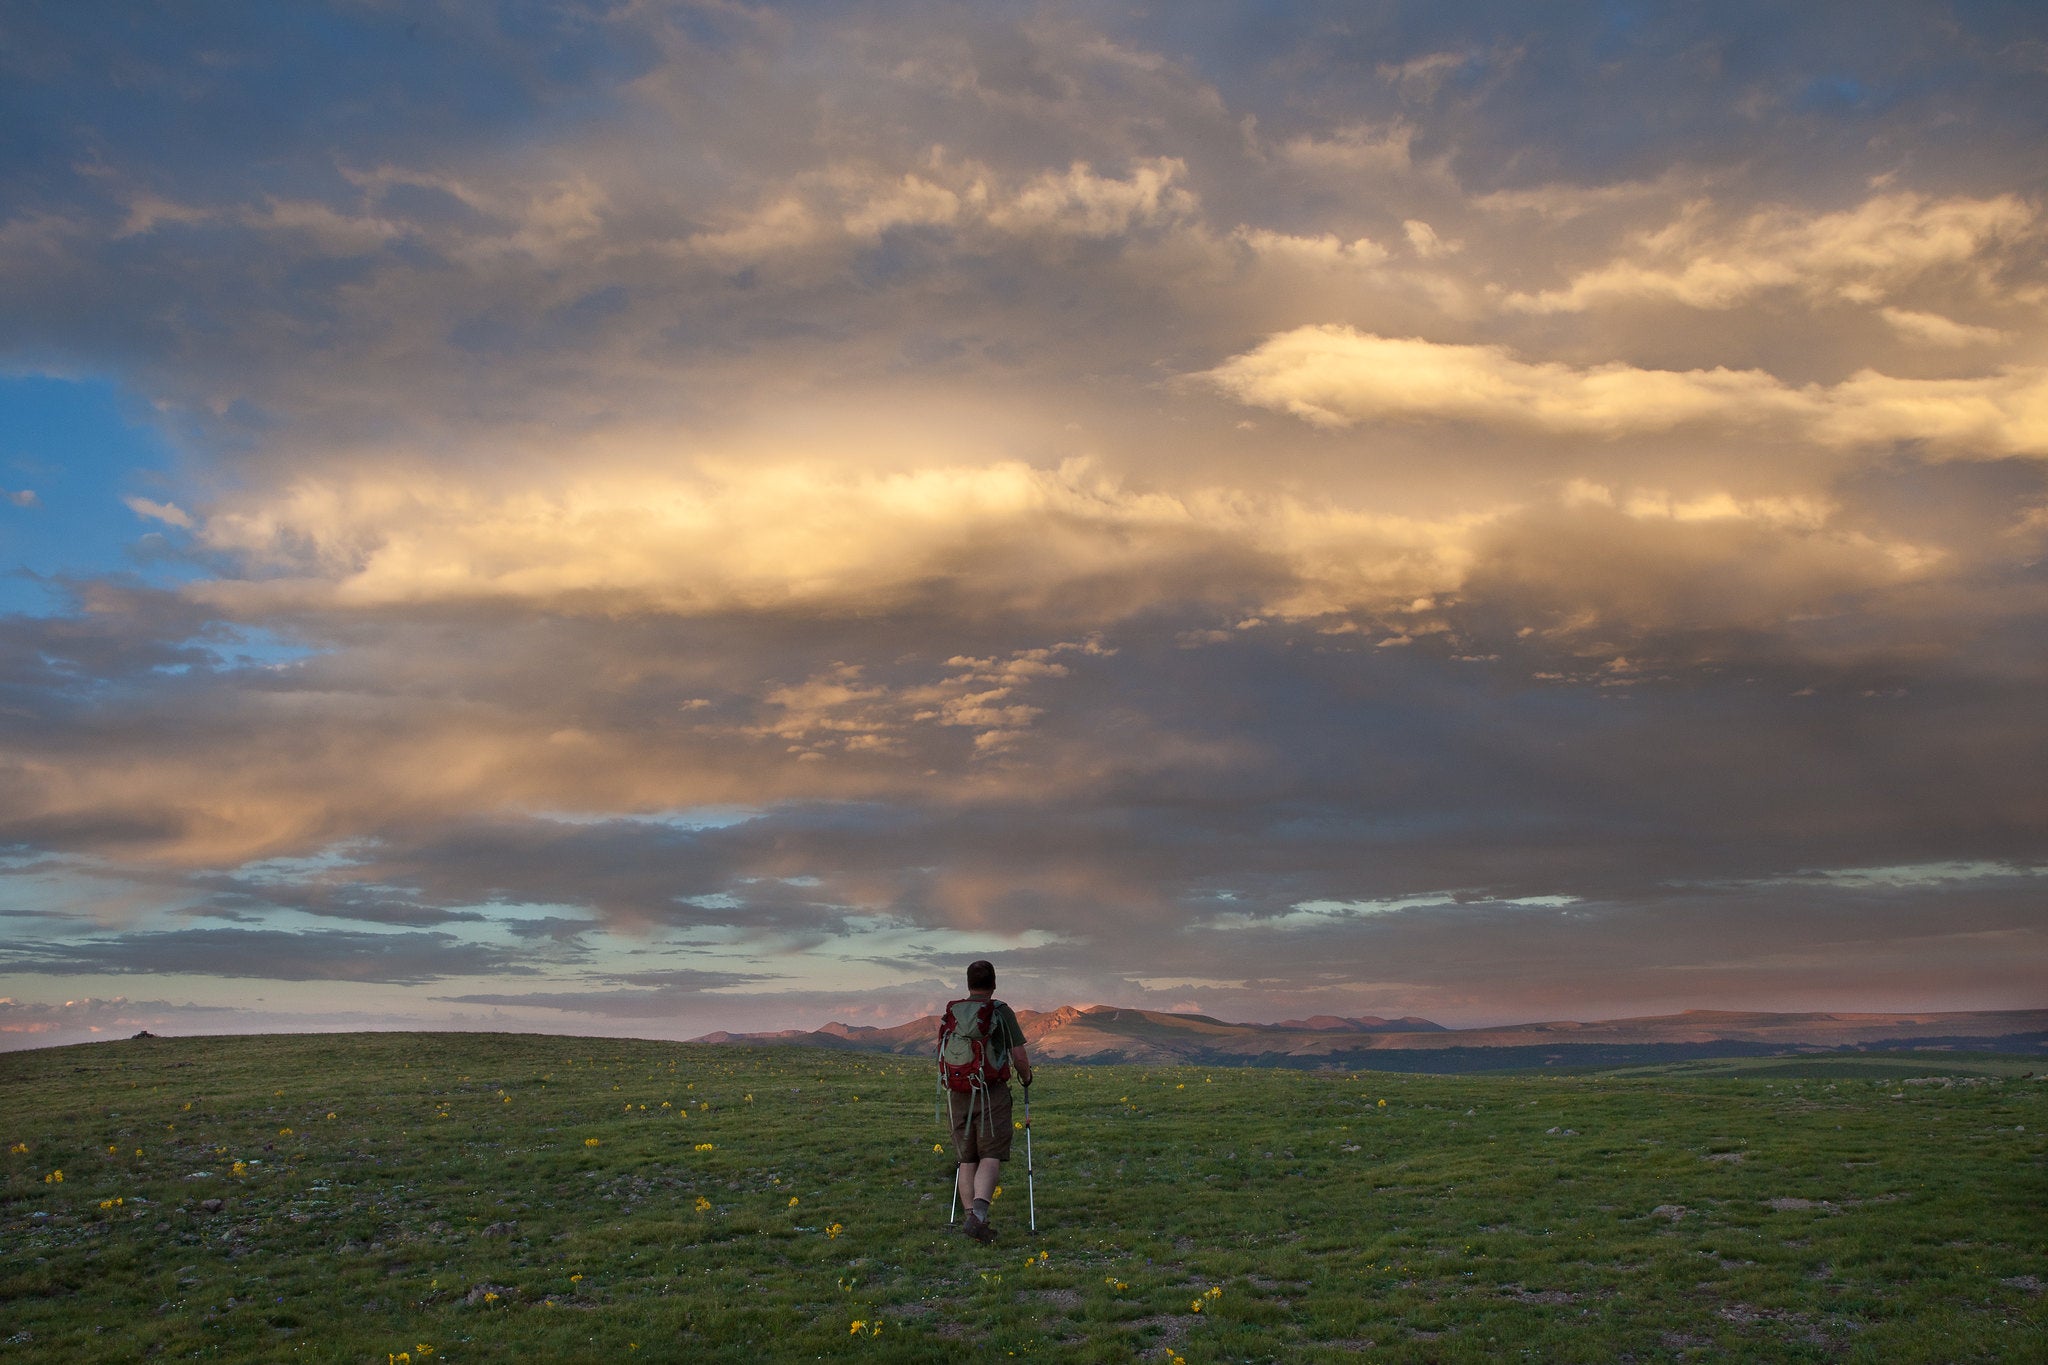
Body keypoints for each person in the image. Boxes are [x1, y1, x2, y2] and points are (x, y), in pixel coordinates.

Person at [946, 959, 1033, 1244]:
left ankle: (971, 1215)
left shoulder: (955, 1012)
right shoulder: (1000, 1012)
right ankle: (978, 1217)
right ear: (994, 984)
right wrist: (1027, 1076)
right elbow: (1018, 1055)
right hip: (990, 1091)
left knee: (966, 1157)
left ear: (969, 984)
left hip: (957, 1092)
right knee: (990, 1155)